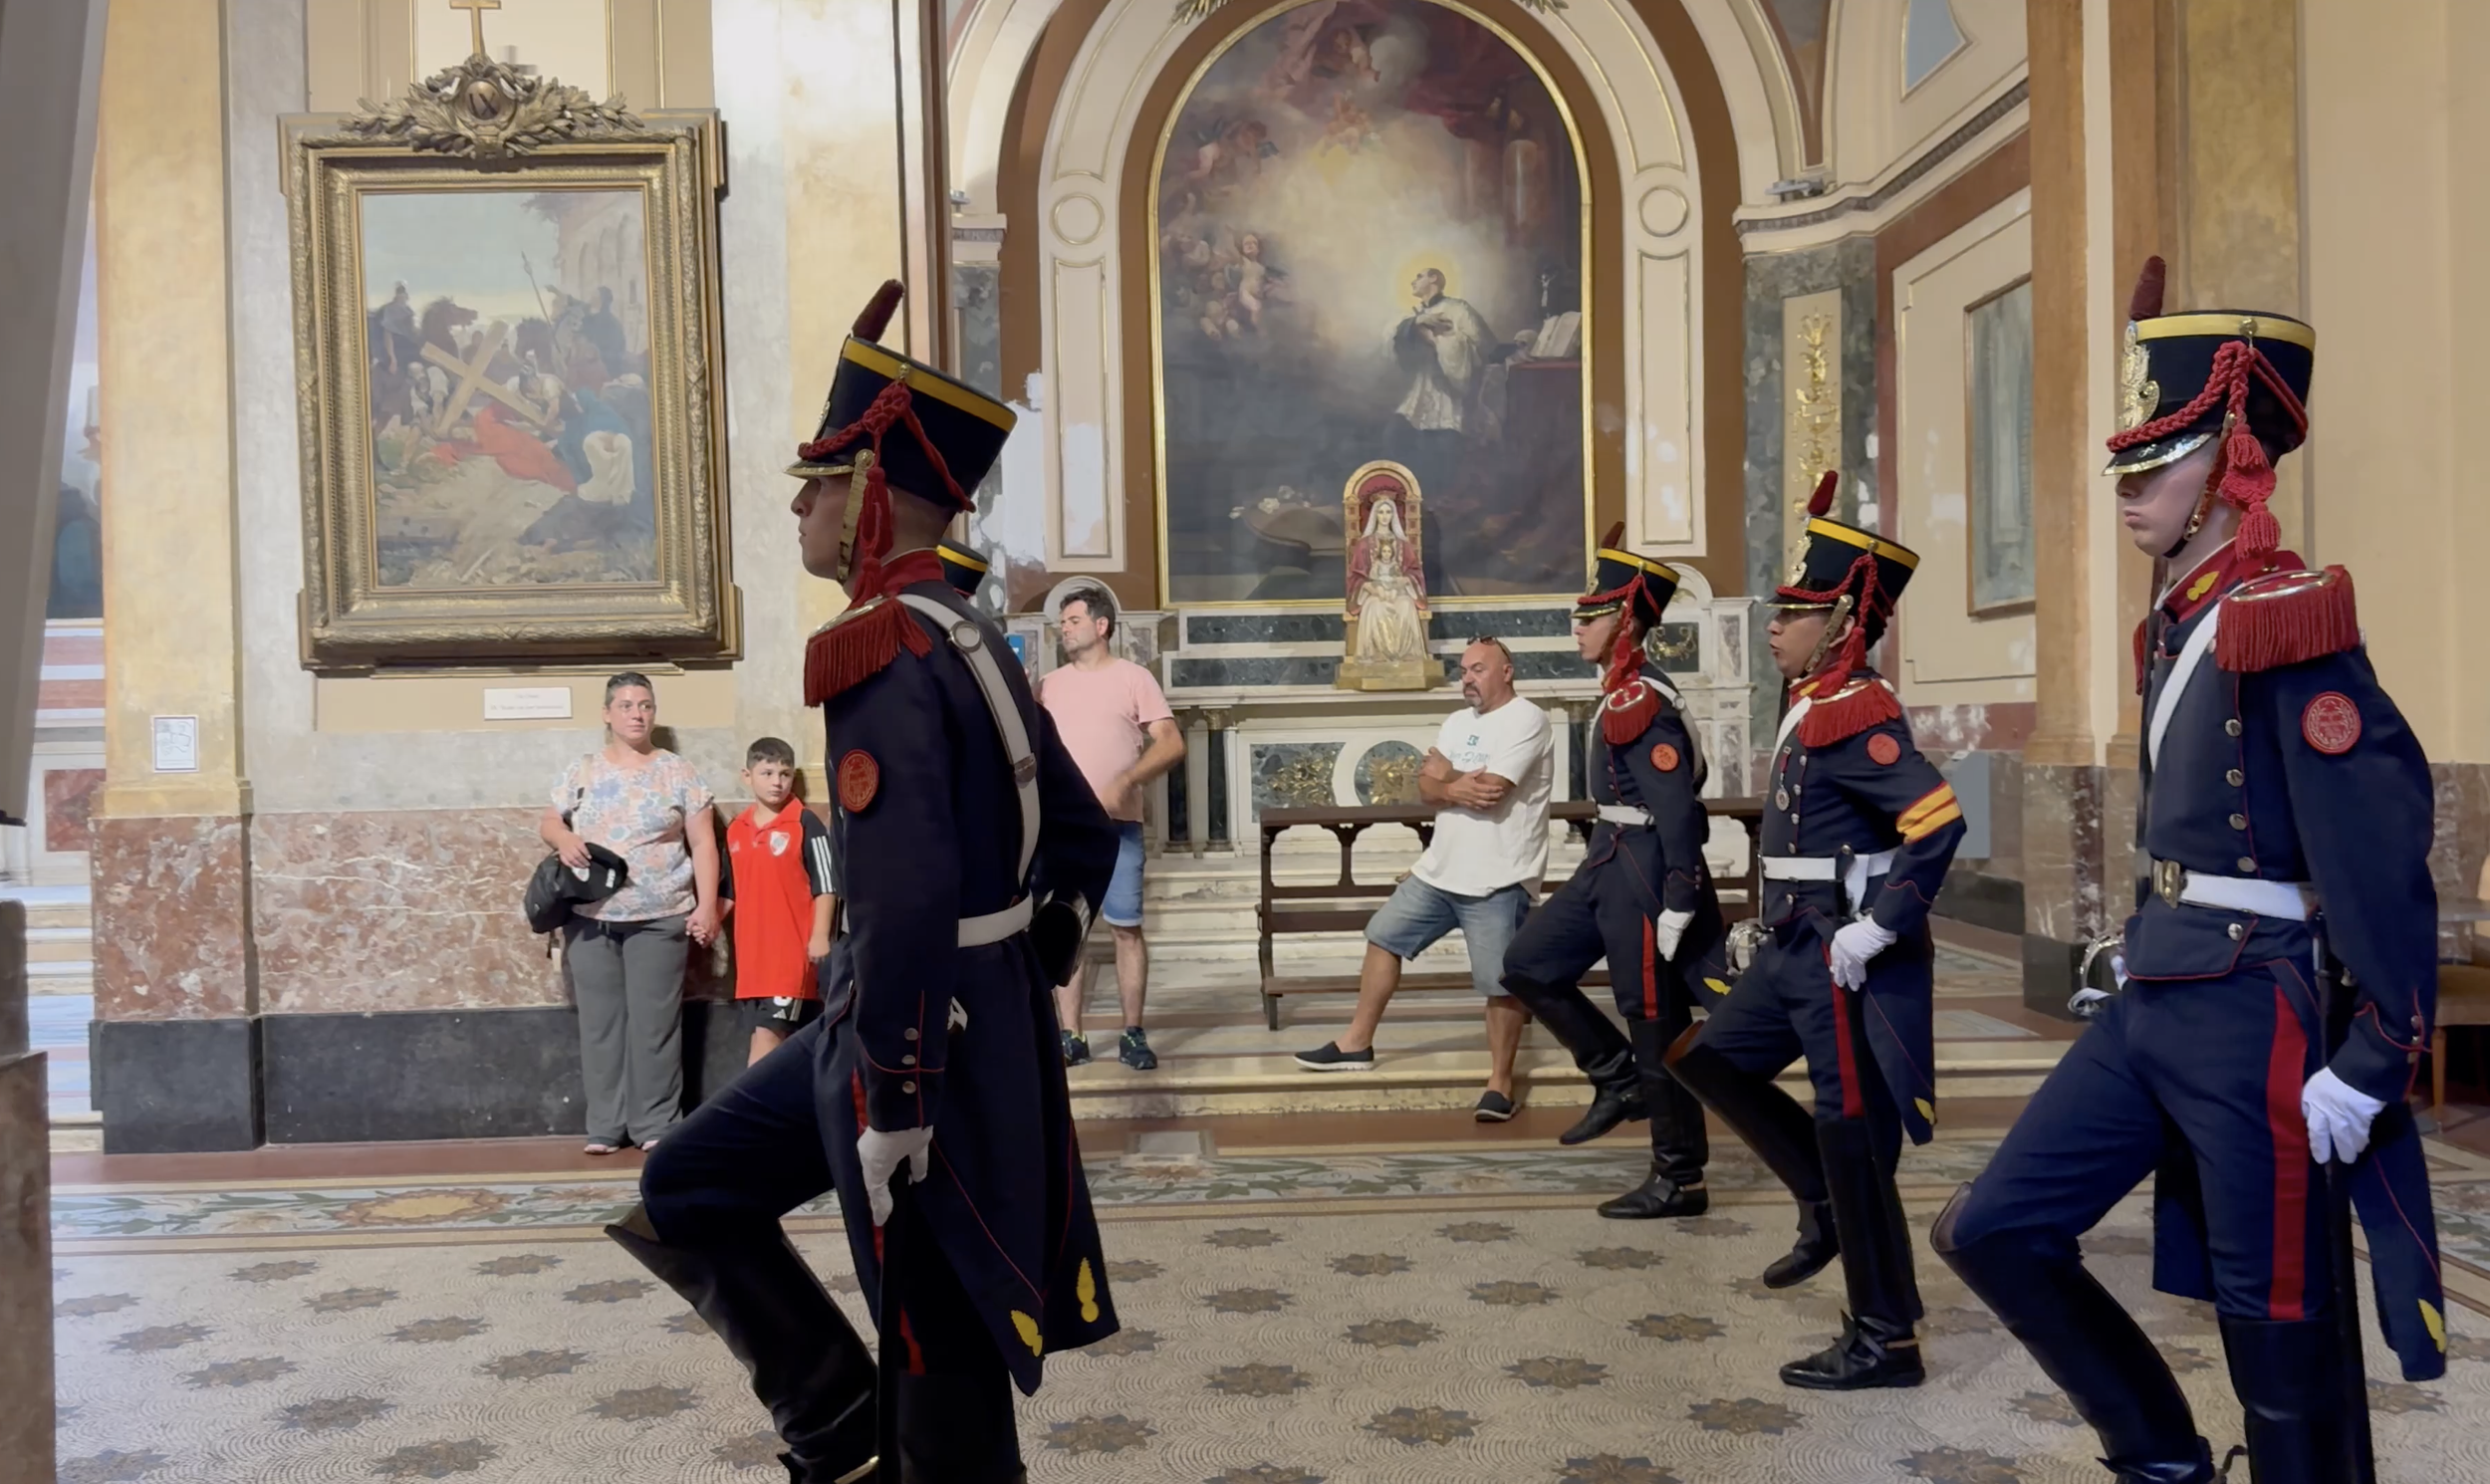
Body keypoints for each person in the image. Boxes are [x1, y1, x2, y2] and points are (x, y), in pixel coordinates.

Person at [1930, 261, 2445, 1483]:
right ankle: (2163, 1462)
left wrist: (2376, 1055)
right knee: (1992, 1227)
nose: (2125, 488)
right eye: (2123, 462)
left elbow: (2379, 840)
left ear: (2231, 467)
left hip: (2251, 1004)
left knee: (2271, 1317)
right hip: (2160, 988)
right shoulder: (2185, 615)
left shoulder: (2288, 615)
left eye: (2152, 462)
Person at [606, 280, 1123, 1483]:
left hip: (906, 1038)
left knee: (936, 1324)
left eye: (822, 480)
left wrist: (900, 1091)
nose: (802, 503)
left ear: (876, 493)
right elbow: (1082, 845)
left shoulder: (886, 652)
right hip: (944, 1015)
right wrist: (1011, 974)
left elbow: (898, 902)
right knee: (687, 1182)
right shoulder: (968, 627)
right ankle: (837, 1425)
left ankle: (892, 1448)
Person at [1659, 471, 1960, 1390]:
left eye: (1794, 614)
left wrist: (1880, 927)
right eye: (1779, 612)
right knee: (1704, 1059)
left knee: (1854, 1135)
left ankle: (1886, 1337)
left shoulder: (1857, 711)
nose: (1774, 626)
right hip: (1792, 946)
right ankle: (1822, 1202)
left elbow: (1937, 820)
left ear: (1842, 623)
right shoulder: (1813, 706)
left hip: (1839, 954)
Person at [1493, 535, 1726, 1215]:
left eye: (1590, 618)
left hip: (1645, 872)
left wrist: (1681, 892)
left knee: (1654, 1018)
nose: (1577, 628)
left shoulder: (1639, 700)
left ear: (1626, 622)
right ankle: (1616, 1076)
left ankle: (1680, 1177)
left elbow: (1678, 807)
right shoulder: (1622, 691)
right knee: (1529, 963)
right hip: (1608, 859)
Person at [1294, 638, 1553, 1119]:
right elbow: (1427, 787)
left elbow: (1492, 792)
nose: (1467, 678)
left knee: (1499, 982)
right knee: (1382, 936)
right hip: (1439, 870)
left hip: (1498, 876)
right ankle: (1356, 1043)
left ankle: (1500, 1083)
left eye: (1477, 669)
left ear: (1507, 671)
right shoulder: (1457, 722)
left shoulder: (1527, 719)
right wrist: (1454, 783)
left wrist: (1448, 777)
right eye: (1462, 670)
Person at [540, 672, 720, 1155]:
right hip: (591, 916)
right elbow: (548, 819)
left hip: (661, 916)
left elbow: (703, 843)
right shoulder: (582, 770)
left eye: (644, 704)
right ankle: (605, 1126)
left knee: (655, 1026)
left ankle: (655, 1124)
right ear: (607, 714)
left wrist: (708, 906)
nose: (636, 713)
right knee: (600, 1025)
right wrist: (564, 838)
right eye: (625, 705)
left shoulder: (678, 771)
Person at [1041, 585, 1185, 1070]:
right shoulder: (1048, 685)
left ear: (1101, 626)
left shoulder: (1134, 678)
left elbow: (1170, 744)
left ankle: (1133, 1034)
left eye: (1074, 620)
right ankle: (1070, 1035)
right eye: (1063, 622)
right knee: (1065, 930)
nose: (1065, 628)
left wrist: (1128, 778)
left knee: (1127, 930)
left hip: (1117, 828)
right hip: (1062, 830)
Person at [721, 737, 836, 1067]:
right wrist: (707, 922)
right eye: (767, 773)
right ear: (747, 775)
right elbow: (730, 891)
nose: (776, 782)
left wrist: (819, 935)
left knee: (766, 1043)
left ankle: (745, 1116)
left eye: (784, 774)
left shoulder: (805, 823)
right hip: (751, 962)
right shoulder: (737, 829)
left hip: (789, 960)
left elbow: (826, 884)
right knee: (767, 1042)